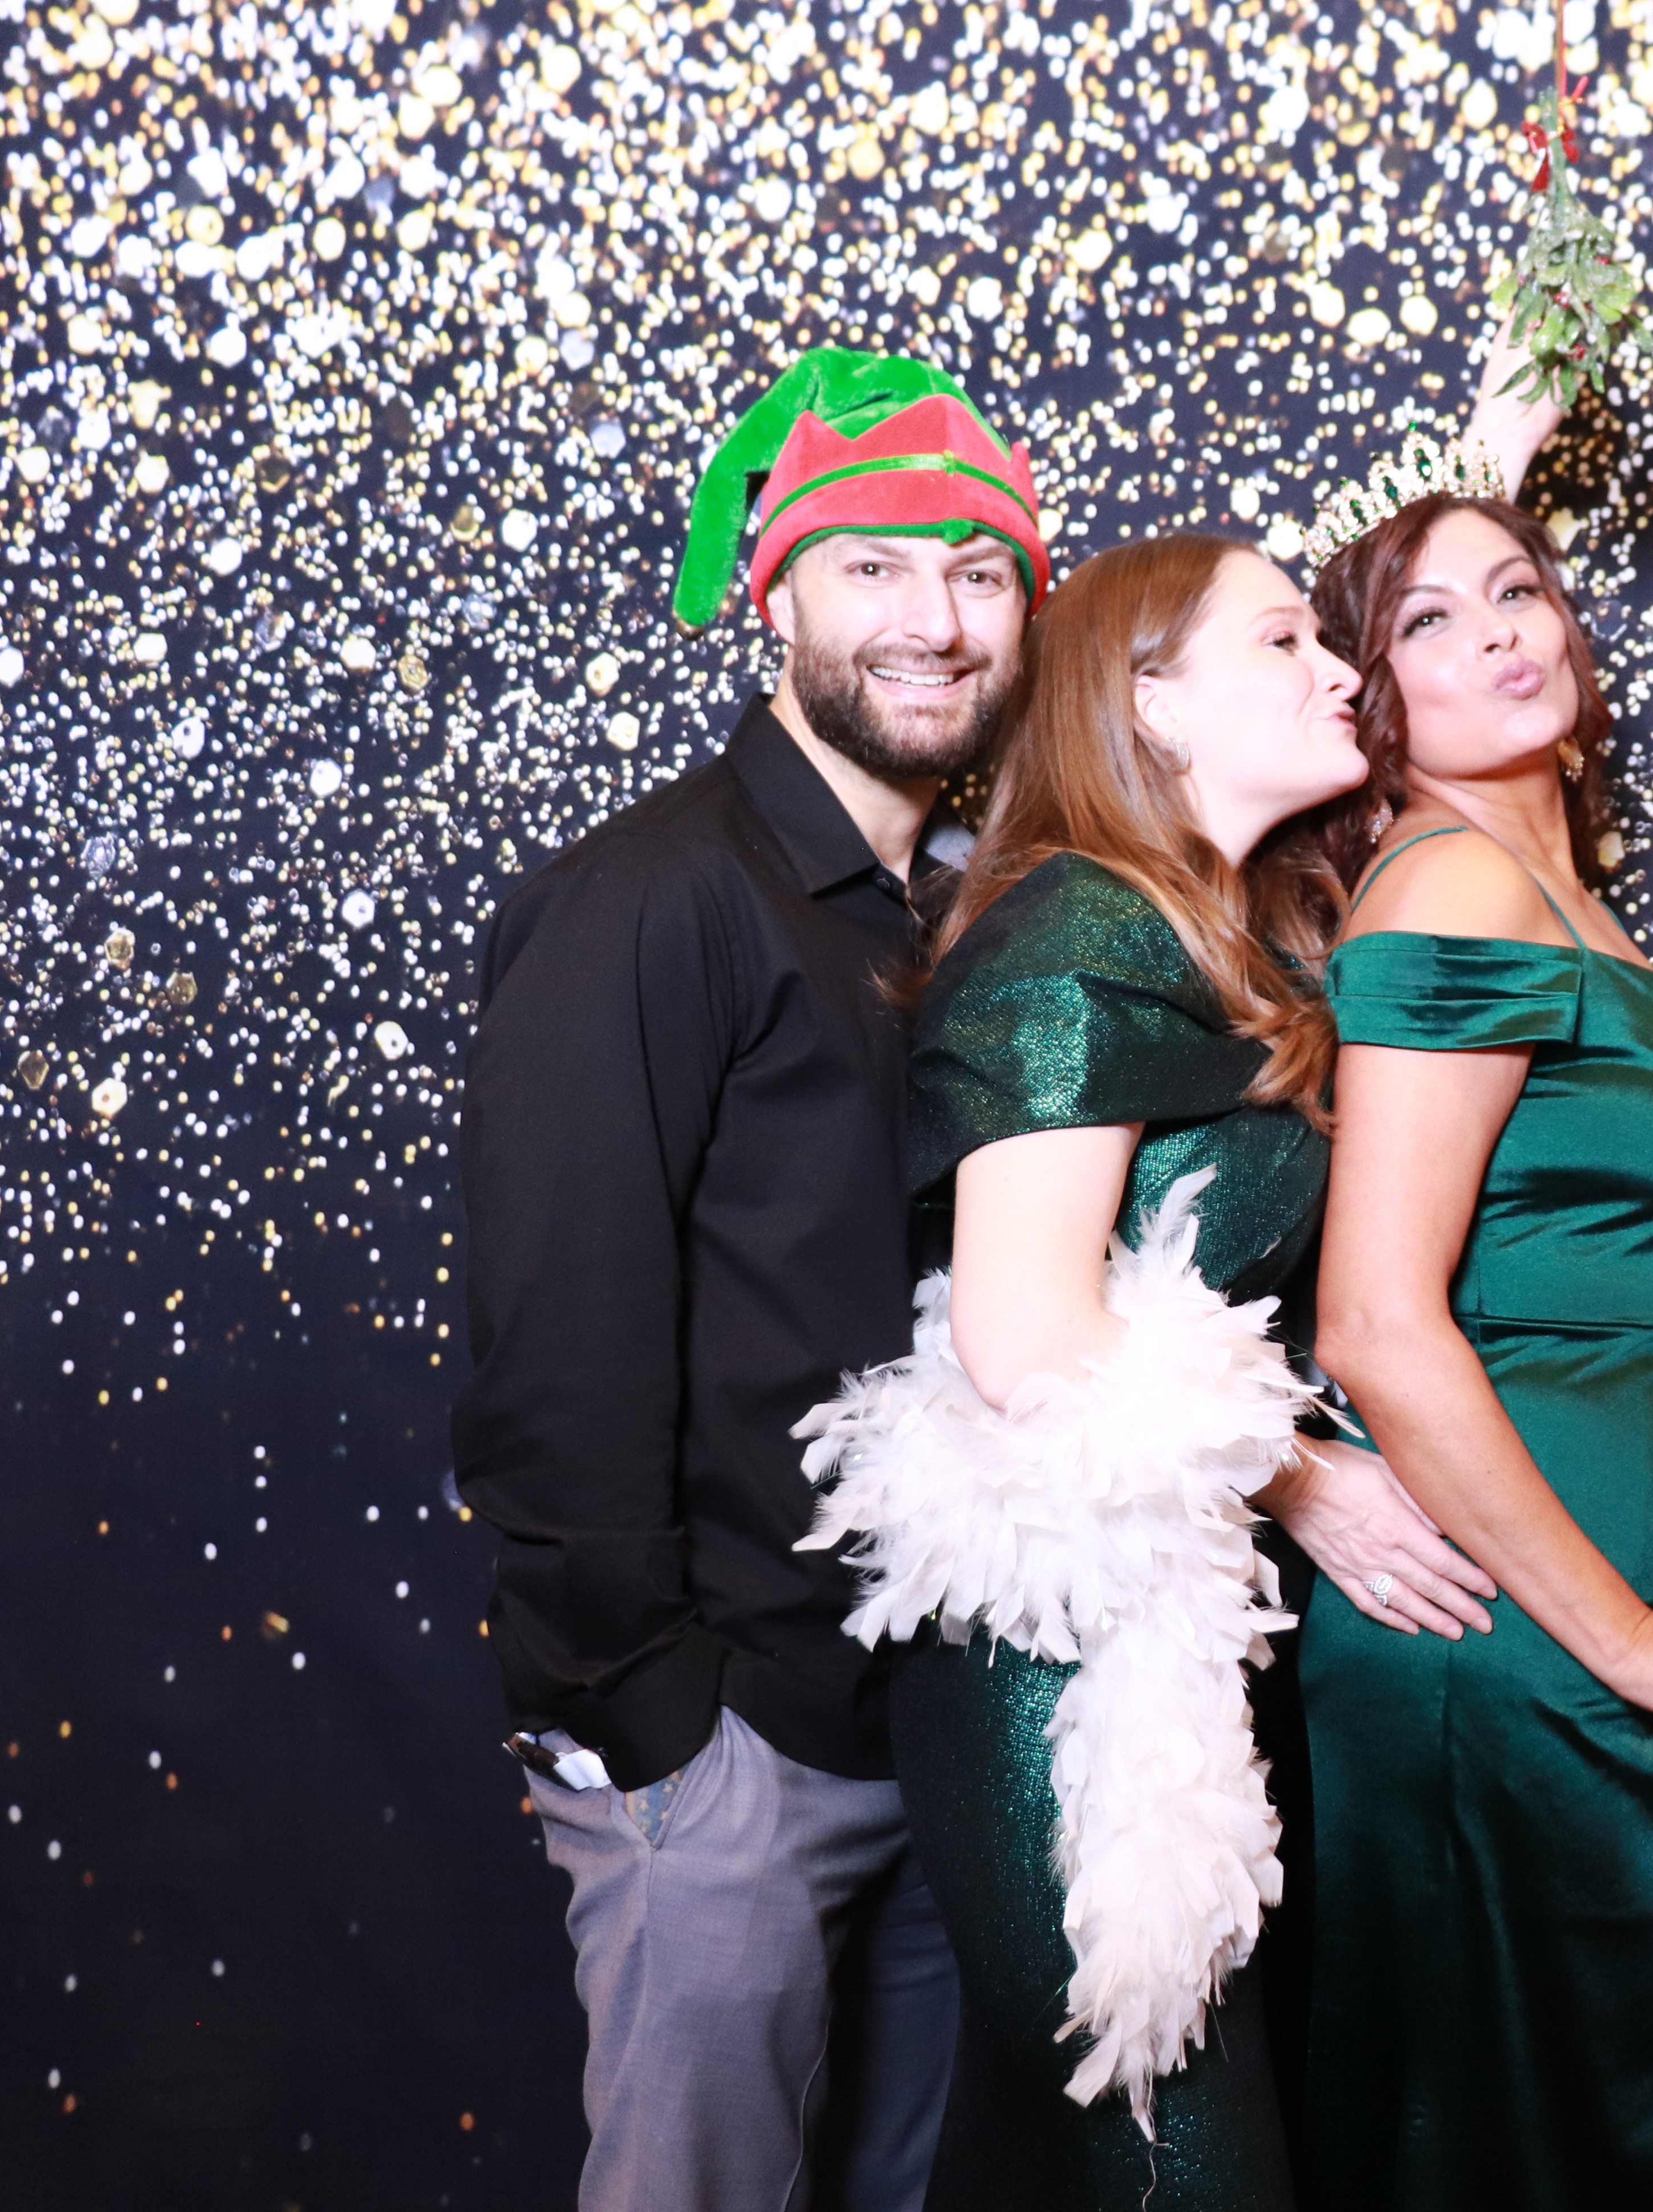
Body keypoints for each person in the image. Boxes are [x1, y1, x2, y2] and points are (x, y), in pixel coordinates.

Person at [796, 531, 1492, 2210]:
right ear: (1150, 704)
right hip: (1062, 1662)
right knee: (1167, 2156)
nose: (1341, 673)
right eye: (1284, 642)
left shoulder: (1220, 935)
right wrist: (1305, 1480)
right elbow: (1024, 1335)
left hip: (1172, 1630)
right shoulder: (1075, 930)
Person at [456, 344, 1045, 2210]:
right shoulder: (651, 899)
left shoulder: (966, 911)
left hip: (929, 1724)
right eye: (873, 568)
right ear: (774, 597)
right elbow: (555, 1341)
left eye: (977, 572)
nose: (933, 622)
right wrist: (658, 1726)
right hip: (728, 1749)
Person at [1295, 460, 1653, 2210]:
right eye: (1432, 622)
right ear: (1373, 702)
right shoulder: (1450, 887)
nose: (1501, 635)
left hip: (1603, 1630)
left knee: (1645, 2147)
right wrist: (1633, 1643)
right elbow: (1375, 1323)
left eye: (1518, 589)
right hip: (1515, 1643)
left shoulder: (1561, 898)